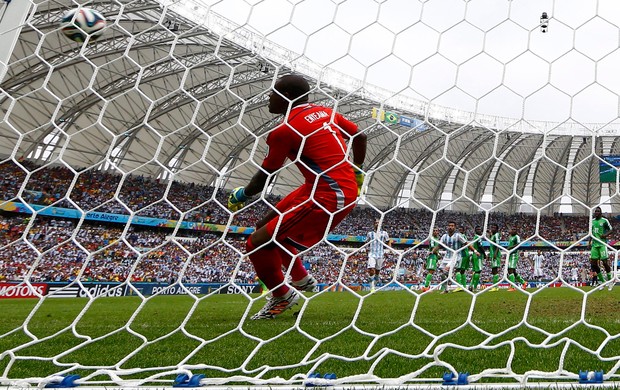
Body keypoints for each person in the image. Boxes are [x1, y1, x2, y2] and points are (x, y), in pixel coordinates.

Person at [227, 74, 367, 320]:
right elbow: (360, 136)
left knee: (256, 242)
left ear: (288, 96)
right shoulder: (325, 112)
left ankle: (282, 295)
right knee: (264, 227)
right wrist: (357, 169)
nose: (269, 98)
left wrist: (243, 194)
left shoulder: (284, 131)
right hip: (323, 185)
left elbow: (265, 176)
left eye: (273, 93)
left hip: (329, 194)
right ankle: (301, 278)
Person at [436, 221, 479, 294]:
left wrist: (475, 251)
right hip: (447, 257)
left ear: (455, 227)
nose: (450, 227)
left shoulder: (458, 236)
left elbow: (466, 244)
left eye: (452, 226)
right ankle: (446, 289)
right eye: (449, 225)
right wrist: (432, 251)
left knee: (455, 270)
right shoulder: (444, 236)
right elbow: (439, 245)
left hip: (456, 256)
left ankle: (460, 286)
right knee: (442, 273)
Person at [590, 206, 613, 291]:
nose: (596, 212)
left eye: (598, 211)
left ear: (601, 213)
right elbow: (591, 232)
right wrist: (589, 242)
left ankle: (610, 281)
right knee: (593, 264)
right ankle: (603, 282)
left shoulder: (604, 221)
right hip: (594, 245)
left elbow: (611, 229)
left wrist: (605, 235)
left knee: (605, 262)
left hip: (602, 244)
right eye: (595, 211)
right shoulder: (592, 221)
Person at [366, 219, 391, 292]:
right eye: (376, 223)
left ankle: (376, 278)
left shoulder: (384, 233)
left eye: (378, 223)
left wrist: (389, 249)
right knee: (371, 270)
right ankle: (372, 288)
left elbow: (388, 240)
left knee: (377, 271)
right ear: (374, 224)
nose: (377, 224)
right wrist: (366, 250)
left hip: (380, 254)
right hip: (372, 254)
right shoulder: (370, 234)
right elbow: (367, 242)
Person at [506, 226, 528, 292]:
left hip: (514, 255)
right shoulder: (510, 237)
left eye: (515, 229)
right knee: (513, 272)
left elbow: (518, 244)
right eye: (512, 229)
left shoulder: (517, 237)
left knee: (510, 270)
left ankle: (512, 286)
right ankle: (524, 283)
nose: (513, 230)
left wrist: (510, 248)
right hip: (510, 254)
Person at [421, 228, 440, 292]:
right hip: (432, 256)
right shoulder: (432, 239)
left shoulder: (437, 239)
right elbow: (432, 247)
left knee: (431, 272)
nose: (435, 232)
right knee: (431, 271)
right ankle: (426, 287)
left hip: (435, 257)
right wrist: (438, 254)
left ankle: (427, 286)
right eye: (434, 231)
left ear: (438, 232)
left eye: (436, 230)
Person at [487, 224, 502, 292]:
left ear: (497, 229)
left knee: (495, 270)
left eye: (494, 228)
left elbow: (498, 245)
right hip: (493, 255)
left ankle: (496, 287)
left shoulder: (496, 235)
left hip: (496, 255)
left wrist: (495, 254)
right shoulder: (492, 235)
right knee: (493, 271)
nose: (493, 228)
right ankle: (495, 286)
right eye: (492, 227)